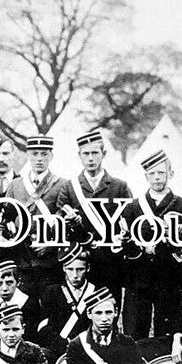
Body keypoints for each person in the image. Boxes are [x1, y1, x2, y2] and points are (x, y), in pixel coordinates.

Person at [120, 150, 182, 339]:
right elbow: (125, 244)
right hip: (139, 277)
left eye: (161, 172)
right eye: (152, 173)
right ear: (146, 176)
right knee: (135, 329)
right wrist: (141, 248)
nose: (157, 177)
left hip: (169, 277)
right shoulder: (133, 207)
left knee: (167, 329)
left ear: (171, 174)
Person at [63, 128, 132, 305]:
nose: (91, 158)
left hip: (110, 262)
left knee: (110, 308)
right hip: (81, 262)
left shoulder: (119, 187)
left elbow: (130, 220)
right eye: (86, 154)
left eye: (95, 153)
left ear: (104, 154)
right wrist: (71, 223)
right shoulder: (70, 188)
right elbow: (59, 223)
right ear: (79, 155)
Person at [3, 135, 72, 296]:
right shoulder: (15, 185)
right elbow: (5, 219)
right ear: (28, 155)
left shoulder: (62, 184)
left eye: (44, 154)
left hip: (51, 262)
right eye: (35, 154)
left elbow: (66, 224)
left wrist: (50, 244)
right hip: (23, 262)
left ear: (51, 156)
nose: (39, 159)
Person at [35, 245, 100, 360]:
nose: (75, 275)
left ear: (88, 268)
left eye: (80, 269)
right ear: (64, 268)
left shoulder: (96, 292)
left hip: (88, 350)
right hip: (58, 349)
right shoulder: (52, 291)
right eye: (70, 269)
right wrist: (61, 344)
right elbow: (43, 326)